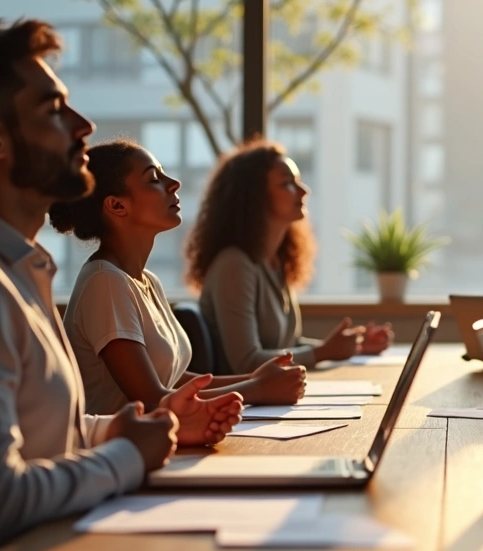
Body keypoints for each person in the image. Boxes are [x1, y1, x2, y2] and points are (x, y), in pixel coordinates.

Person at [0, 20, 241, 551]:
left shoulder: (13, 269)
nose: (84, 126)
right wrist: (126, 456)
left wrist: (129, 430)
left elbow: (39, 432)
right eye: (54, 109)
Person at [49, 139, 308, 414]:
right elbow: (152, 399)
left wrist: (254, 379)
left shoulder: (146, 281)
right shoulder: (104, 283)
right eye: (154, 178)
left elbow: (173, 382)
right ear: (117, 205)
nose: (174, 183)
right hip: (121, 440)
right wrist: (256, 389)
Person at [185, 139, 392, 374]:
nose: (304, 191)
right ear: (254, 197)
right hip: (242, 397)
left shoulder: (273, 262)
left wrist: (354, 347)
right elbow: (246, 362)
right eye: (287, 184)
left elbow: (287, 346)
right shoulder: (234, 265)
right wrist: (323, 352)